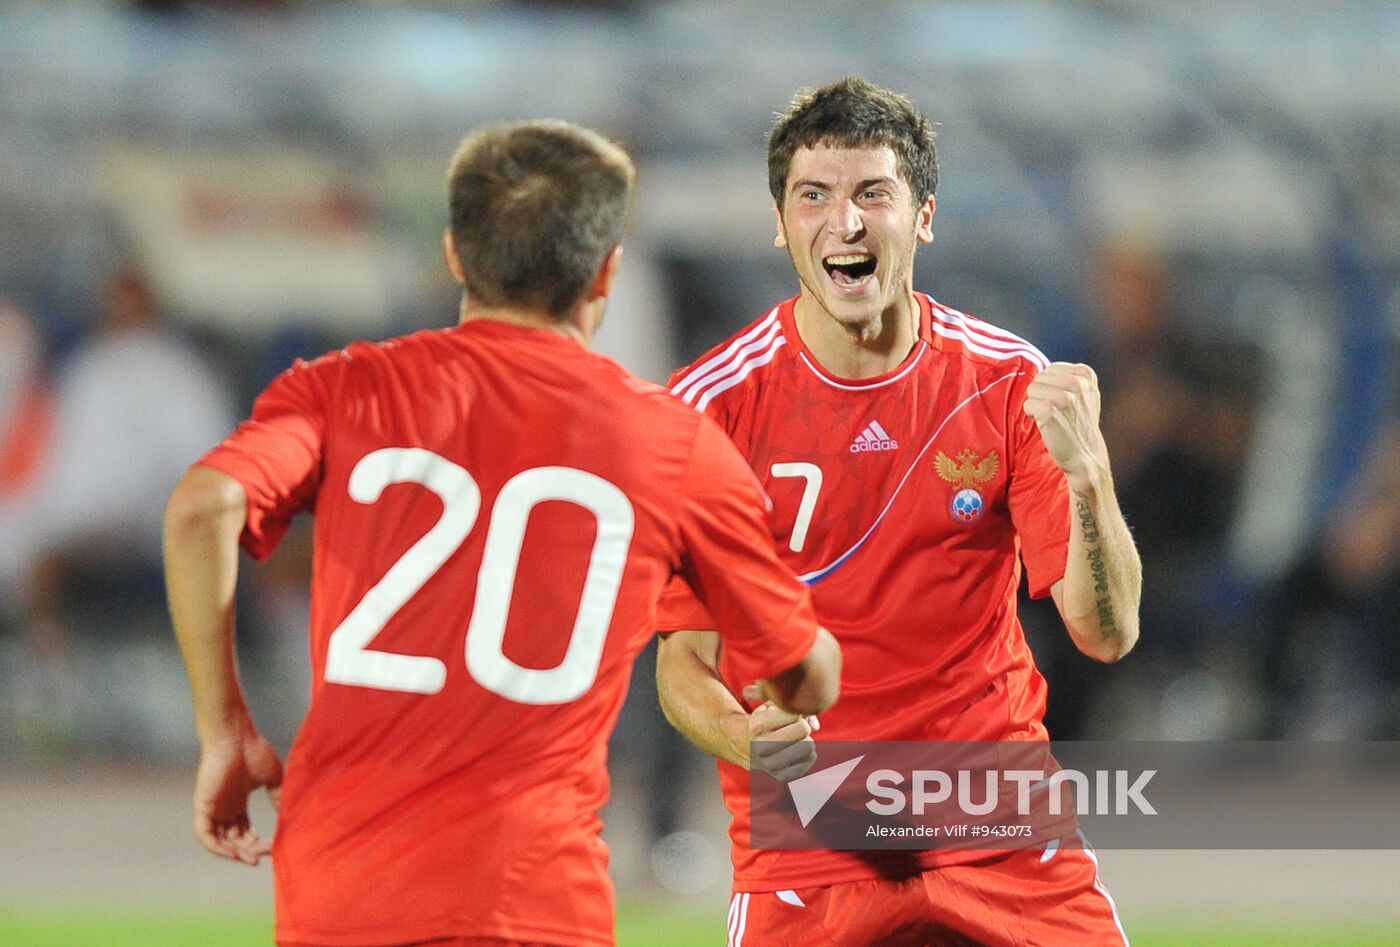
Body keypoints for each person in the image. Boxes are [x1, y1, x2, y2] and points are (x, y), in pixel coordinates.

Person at [164, 119, 841, 947]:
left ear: (455, 254)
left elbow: (202, 508)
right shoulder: (675, 443)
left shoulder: (347, 388)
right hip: (528, 895)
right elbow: (800, 674)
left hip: (341, 887)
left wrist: (224, 727)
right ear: (606, 272)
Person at [656, 77, 1142, 945]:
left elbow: (1106, 631)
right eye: (815, 196)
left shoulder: (1004, 383)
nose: (845, 222)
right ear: (780, 223)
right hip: (811, 831)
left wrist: (1091, 476)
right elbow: (683, 663)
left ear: (922, 216)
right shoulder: (710, 410)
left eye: (873, 193)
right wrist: (749, 742)